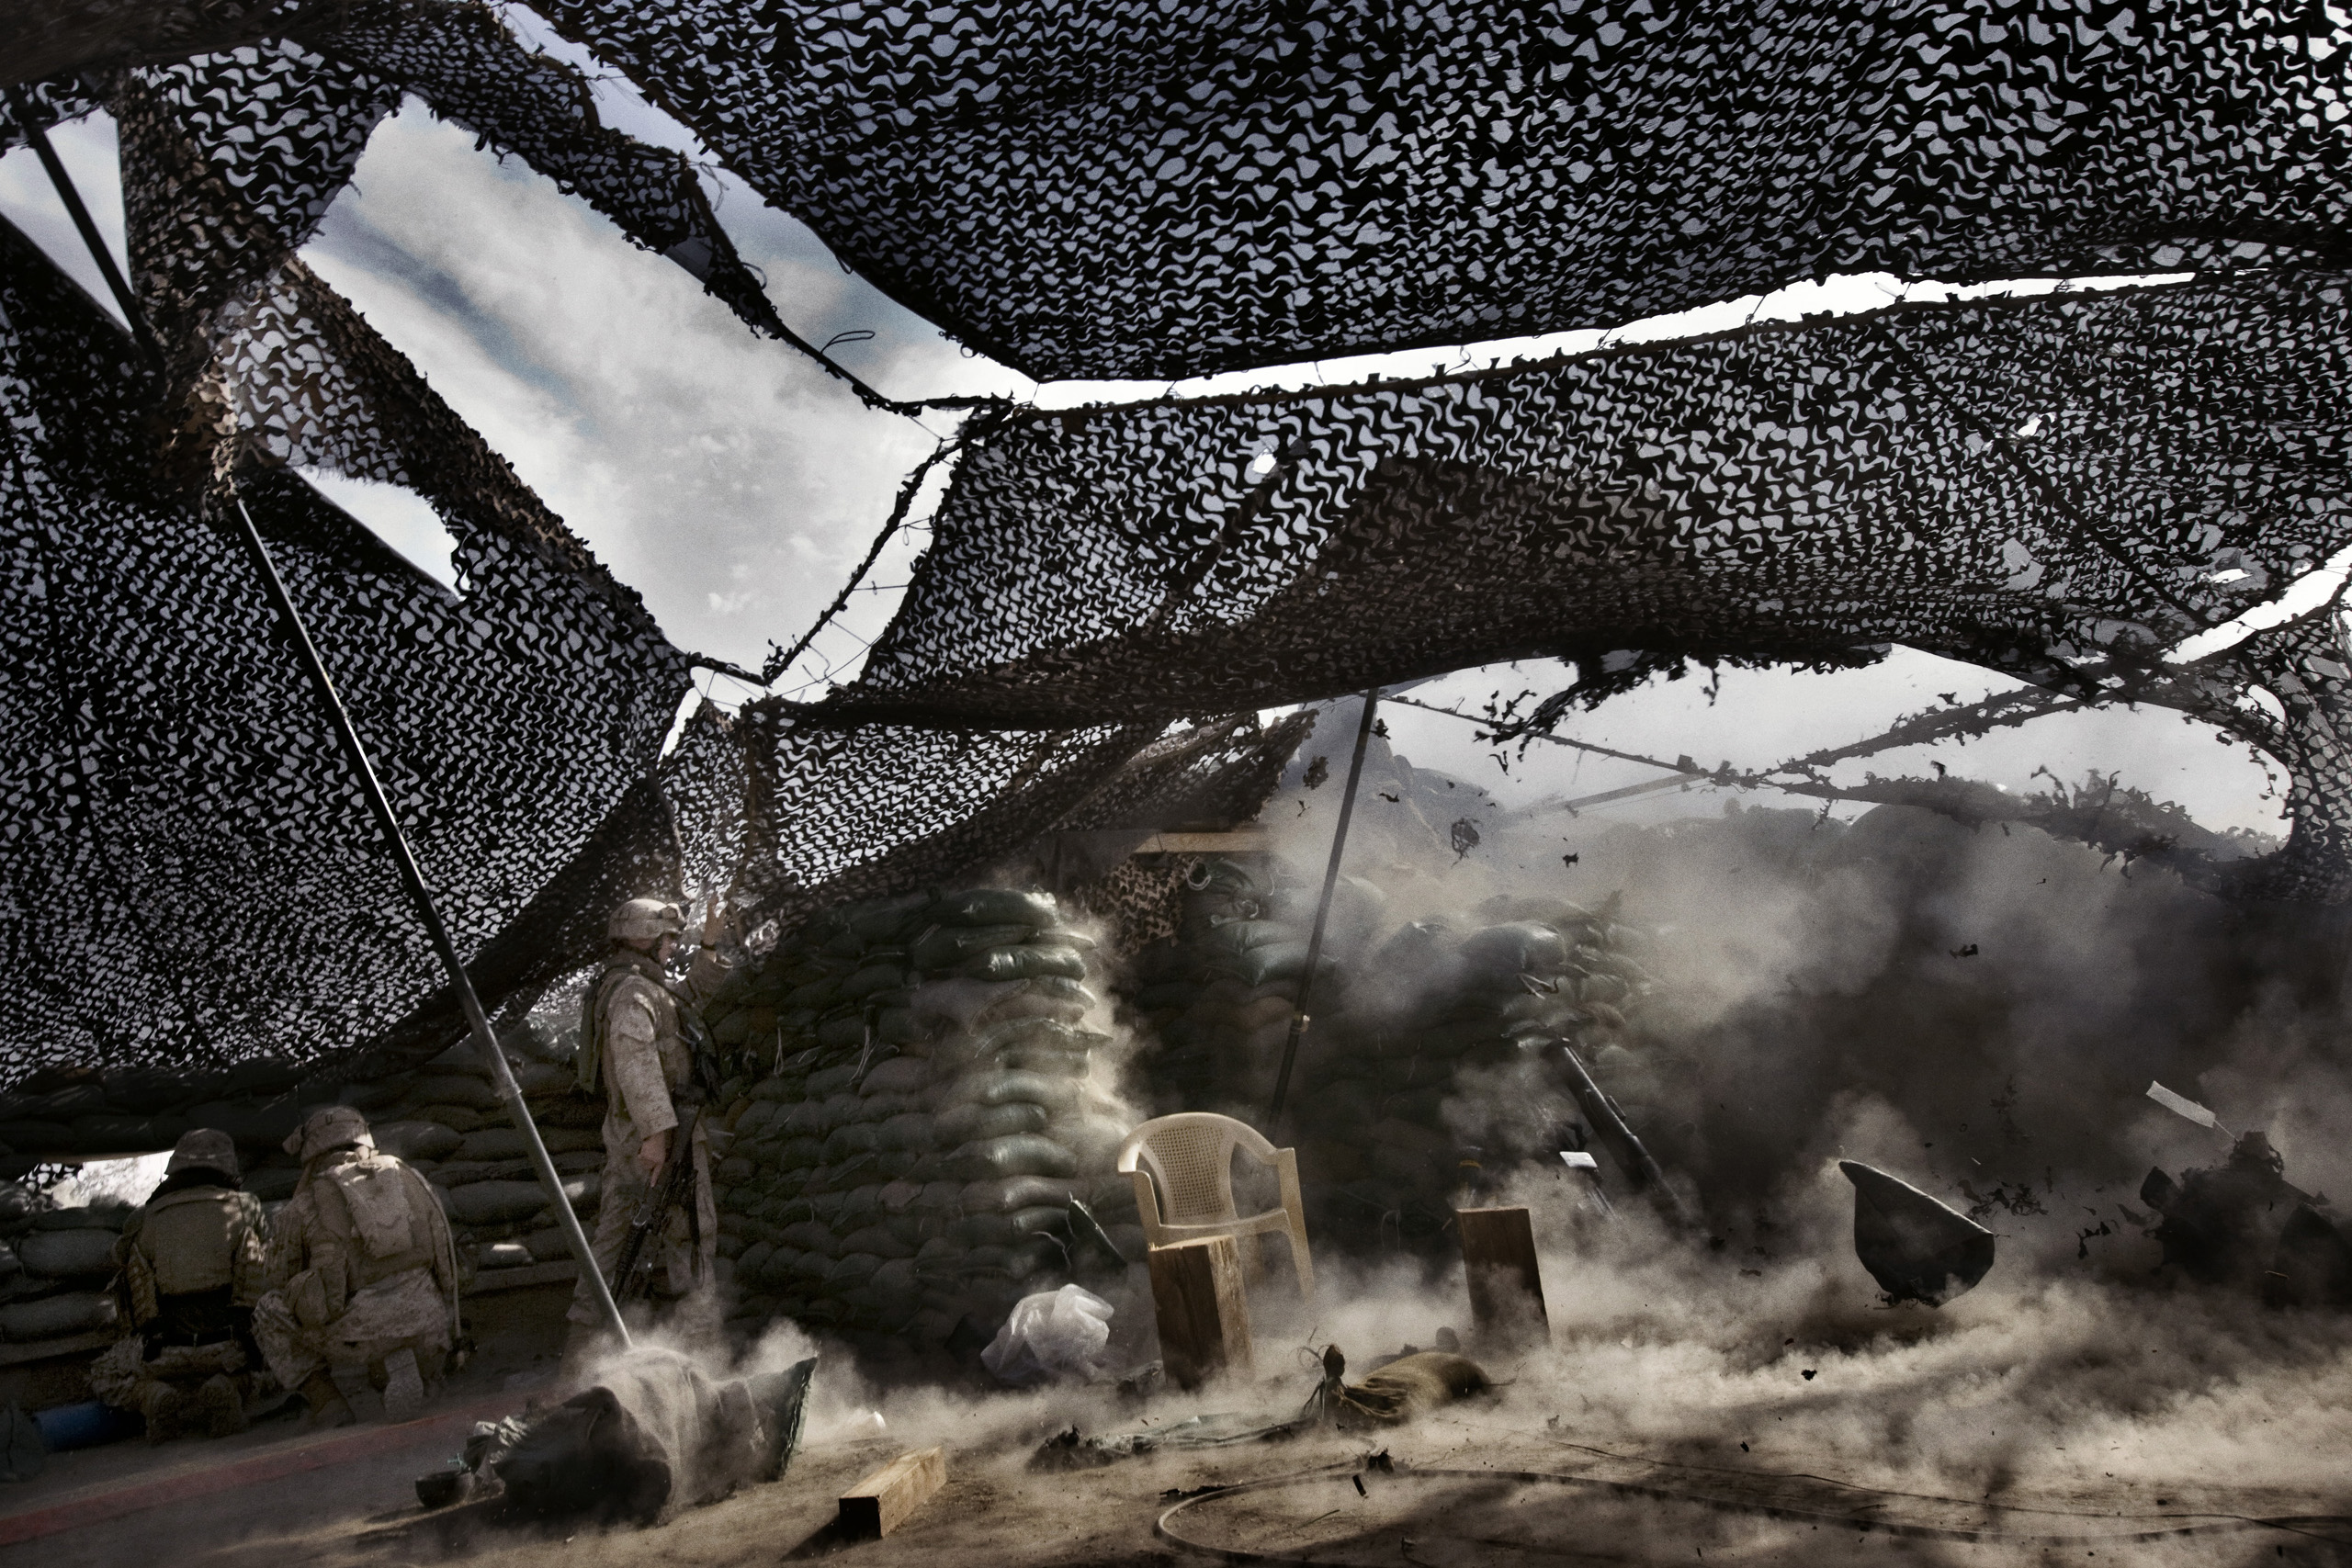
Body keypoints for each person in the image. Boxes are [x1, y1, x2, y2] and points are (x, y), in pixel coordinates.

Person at [564, 897, 729, 1361]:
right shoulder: (633, 994)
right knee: (691, 1238)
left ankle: (581, 1361)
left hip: (642, 1138)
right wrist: (658, 1135)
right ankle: (704, 1359)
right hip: (657, 1143)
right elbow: (635, 1063)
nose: (674, 946)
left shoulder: (640, 987)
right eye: (669, 938)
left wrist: (710, 944)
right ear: (647, 938)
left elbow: (686, 999)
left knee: (615, 1244)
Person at [252, 1106, 460, 1428]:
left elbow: (277, 1276)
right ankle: (423, 1373)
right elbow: (445, 1252)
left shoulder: (302, 1205)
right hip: (430, 1318)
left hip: (361, 1333)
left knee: (269, 1310)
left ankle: (329, 1404)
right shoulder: (406, 1175)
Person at [89, 1129, 268, 1442]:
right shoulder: (245, 1205)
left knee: (104, 1374)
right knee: (281, 1359)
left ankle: (153, 1396)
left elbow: (119, 1258)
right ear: (229, 1166)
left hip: (163, 1349)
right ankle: (232, 1387)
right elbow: (269, 1254)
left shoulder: (144, 1217)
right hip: (233, 1345)